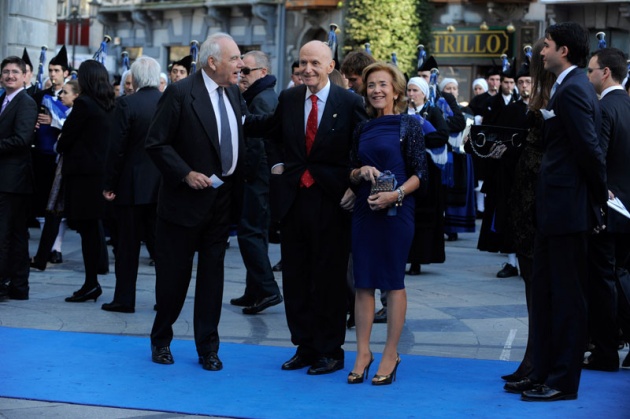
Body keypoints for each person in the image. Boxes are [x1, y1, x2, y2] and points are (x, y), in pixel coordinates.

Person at [146, 33, 248, 372]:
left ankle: (208, 348)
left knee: (212, 279)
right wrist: (185, 173)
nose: (241, 64)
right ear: (212, 62)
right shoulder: (180, 92)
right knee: (173, 279)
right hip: (182, 204)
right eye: (235, 58)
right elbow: (157, 143)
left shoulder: (233, 92)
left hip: (221, 203)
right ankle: (161, 339)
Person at [265, 40, 367, 375]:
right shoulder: (289, 98)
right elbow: (273, 134)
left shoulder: (349, 102)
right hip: (295, 200)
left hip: (332, 200)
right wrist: (277, 165)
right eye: (303, 62)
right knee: (295, 278)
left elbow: (360, 148)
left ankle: (330, 350)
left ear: (330, 66)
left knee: (329, 278)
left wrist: (354, 185)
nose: (307, 69)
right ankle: (305, 346)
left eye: (315, 63)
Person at [521, 22, 607, 402]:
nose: (541, 52)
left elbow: (590, 151)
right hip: (554, 210)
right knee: (545, 293)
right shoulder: (566, 87)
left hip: (568, 210)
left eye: (548, 45)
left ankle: (561, 381)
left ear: (564, 52)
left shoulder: (573, 90)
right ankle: (542, 371)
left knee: (567, 298)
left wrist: (598, 201)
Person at [348, 62, 427, 385]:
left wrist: (394, 195)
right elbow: (351, 171)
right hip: (366, 211)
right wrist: (361, 173)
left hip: (397, 211)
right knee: (363, 281)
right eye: (371, 85)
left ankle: (390, 353)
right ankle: (362, 352)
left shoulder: (409, 125)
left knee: (393, 281)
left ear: (395, 90)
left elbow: (420, 174)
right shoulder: (362, 128)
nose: (376, 90)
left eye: (383, 84)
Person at [502, 39, 556, 392]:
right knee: (531, 285)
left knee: (541, 288)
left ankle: (539, 360)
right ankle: (532, 357)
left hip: (541, 202)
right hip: (526, 200)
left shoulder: (558, 94)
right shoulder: (540, 95)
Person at [101, 56, 163, 314]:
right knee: (161, 248)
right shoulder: (169, 102)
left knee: (127, 247)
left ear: (135, 79)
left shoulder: (127, 104)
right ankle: (165, 299)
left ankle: (125, 299)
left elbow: (117, 148)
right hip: (162, 186)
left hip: (131, 187)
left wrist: (109, 184)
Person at [583, 47, 630, 372]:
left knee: (604, 283)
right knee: (622, 277)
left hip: (609, 209)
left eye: (590, 70)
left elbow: (595, 158)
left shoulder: (604, 108)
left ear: (606, 73)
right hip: (626, 207)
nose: (588, 76)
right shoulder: (627, 105)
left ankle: (606, 352)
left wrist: (599, 199)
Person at [56, 60, 115, 303]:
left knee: (87, 232)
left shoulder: (84, 105)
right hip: (101, 176)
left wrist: (61, 142)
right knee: (93, 231)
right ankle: (92, 281)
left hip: (82, 178)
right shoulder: (111, 104)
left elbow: (66, 139)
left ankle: (91, 283)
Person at [230, 50, 283, 315]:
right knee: (256, 233)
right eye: (240, 71)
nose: (241, 75)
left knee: (249, 233)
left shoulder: (262, 99)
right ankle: (254, 290)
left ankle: (267, 289)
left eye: (246, 71)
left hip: (256, 178)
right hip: (258, 178)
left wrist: (249, 177)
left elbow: (258, 147)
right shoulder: (259, 96)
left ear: (263, 72)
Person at [29, 80, 79, 271]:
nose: (61, 96)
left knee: (84, 220)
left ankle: (47, 254)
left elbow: (66, 139)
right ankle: (44, 256)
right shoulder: (58, 105)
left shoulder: (76, 112)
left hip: (68, 168)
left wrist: (59, 137)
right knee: (52, 212)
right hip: (58, 164)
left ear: (76, 95)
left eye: (65, 93)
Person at [0, 56, 38, 300]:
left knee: (6, 235)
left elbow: (22, 139)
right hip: (6, 179)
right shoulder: (3, 99)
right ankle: (18, 286)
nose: (10, 75)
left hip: (13, 180)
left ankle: (5, 285)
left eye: (15, 71)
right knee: (13, 234)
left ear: (25, 75)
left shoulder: (25, 102)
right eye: (6, 72)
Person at [405, 76, 448, 275]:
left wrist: (420, 139)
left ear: (424, 93)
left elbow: (442, 135)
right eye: (409, 90)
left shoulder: (433, 112)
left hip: (428, 171)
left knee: (424, 215)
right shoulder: (402, 112)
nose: (412, 94)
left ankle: (419, 259)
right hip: (406, 169)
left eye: (415, 91)